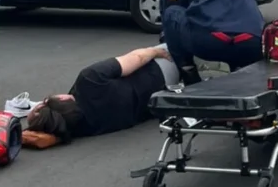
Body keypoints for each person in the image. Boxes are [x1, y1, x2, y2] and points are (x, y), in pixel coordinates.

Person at [25, 44, 179, 143]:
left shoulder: (79, 129)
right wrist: (155, 51)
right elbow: (136, 58)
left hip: (165, 98)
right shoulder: (90, 81)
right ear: (63, 99)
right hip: (161, 71)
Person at [162, 0, 265, 84]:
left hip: (210, 42)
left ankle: (188, 72)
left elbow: (183, 8)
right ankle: (241, 69)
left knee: (172, 13)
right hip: (253, 42)